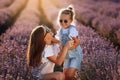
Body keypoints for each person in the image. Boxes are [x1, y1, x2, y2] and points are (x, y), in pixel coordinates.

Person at [56, 5, 83, 80]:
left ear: (71, 21)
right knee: (65, 75)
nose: (63, 23)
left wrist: (69, 48)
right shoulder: (60, 31)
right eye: (60, 20)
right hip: (67, 56)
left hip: (75, 55)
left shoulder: (72, 30)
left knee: (70, 74)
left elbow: (77, 43)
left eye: (65, 21)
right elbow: (60, 42)